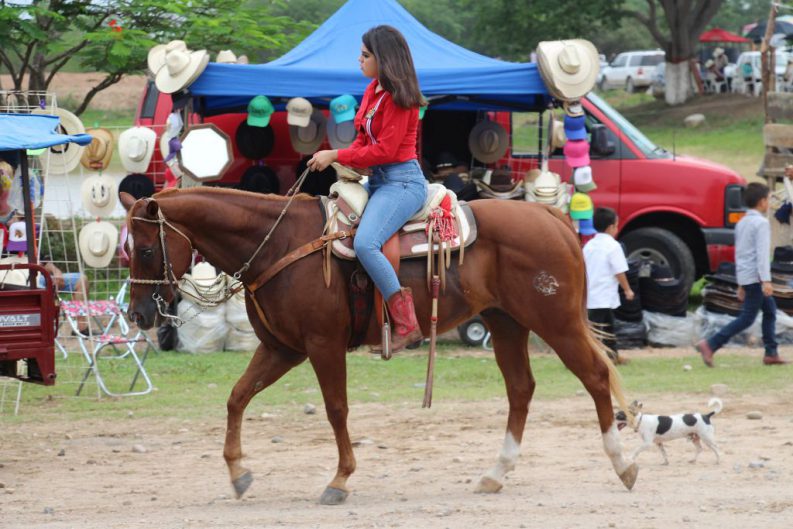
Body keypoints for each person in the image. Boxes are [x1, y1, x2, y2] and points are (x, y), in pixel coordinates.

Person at [307, 25, 427, 353]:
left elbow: (385, 151)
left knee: (365, 243)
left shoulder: (401, 98)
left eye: (365, 55)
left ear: (383, 58)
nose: (359, 60)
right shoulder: (374, 90)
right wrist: (345, 163)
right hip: (377, 180)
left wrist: (335, 154)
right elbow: (363, 140)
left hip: (402, 182)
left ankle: (407, 324)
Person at [697, 183, 787, 366]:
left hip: (747, 276)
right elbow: (762, 255)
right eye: (769, 199)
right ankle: (711, 344)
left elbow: (740, 253)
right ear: (762, 202)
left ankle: (771, 352)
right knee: (747, 317)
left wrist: (740, 283)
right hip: (756, 277)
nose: (769, 203)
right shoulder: (761, 223)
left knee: (769, 311)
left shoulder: (742, 222)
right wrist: (766, 280)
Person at [583, 207, 634, 364]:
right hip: (602, 295)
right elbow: (619, 271)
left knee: (608, 326)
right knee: (596, 330)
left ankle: (612, 355)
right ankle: (588, 358)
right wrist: (627, 289)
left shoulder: (589, 246)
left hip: (590, 295)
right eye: (616, 225)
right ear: (611, 227)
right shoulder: (613, 246)